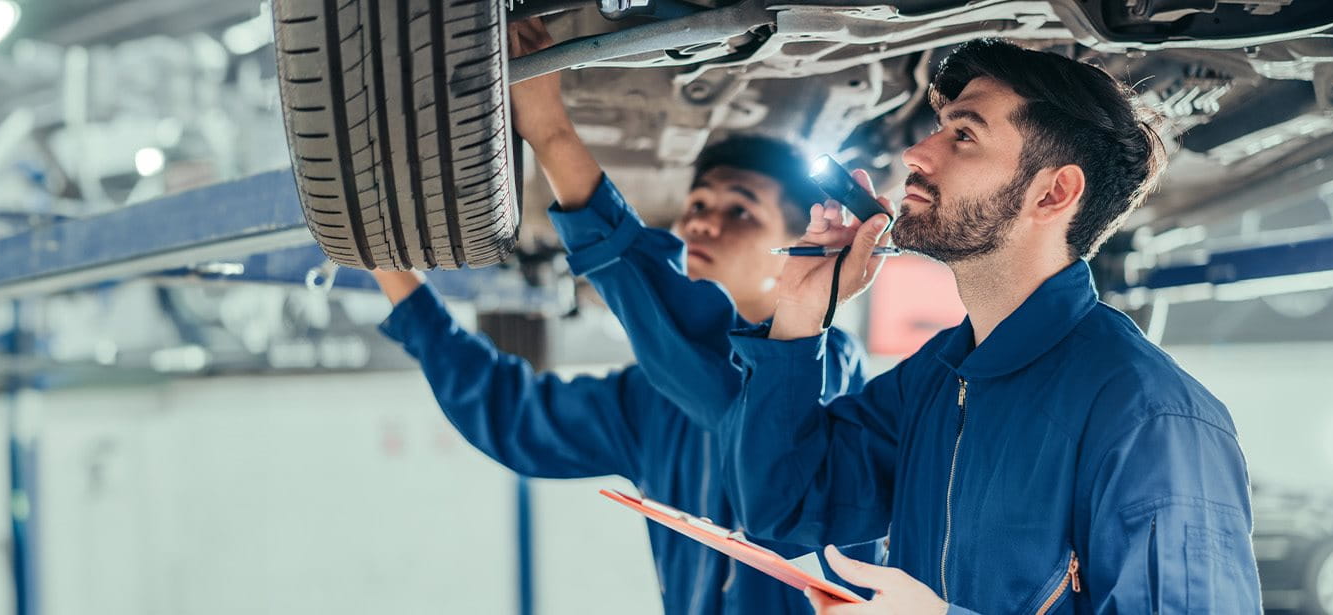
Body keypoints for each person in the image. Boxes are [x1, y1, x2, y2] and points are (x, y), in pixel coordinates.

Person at [720, 39, 1262, 614]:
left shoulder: (1153, 418)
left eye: (963, 135)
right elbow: (788, 506)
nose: (915, 154)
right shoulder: (938, 378)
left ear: (1053, 193)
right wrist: (800, 317)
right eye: (940, 128)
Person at [364, 18, 872, 615]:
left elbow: (722, 376)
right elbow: (514, 419)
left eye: (742, 210)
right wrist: (385, 260)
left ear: (803, 244)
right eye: (700, 204)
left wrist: (553, 133)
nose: (704, 221)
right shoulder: (650, 397)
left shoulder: (829, 374)